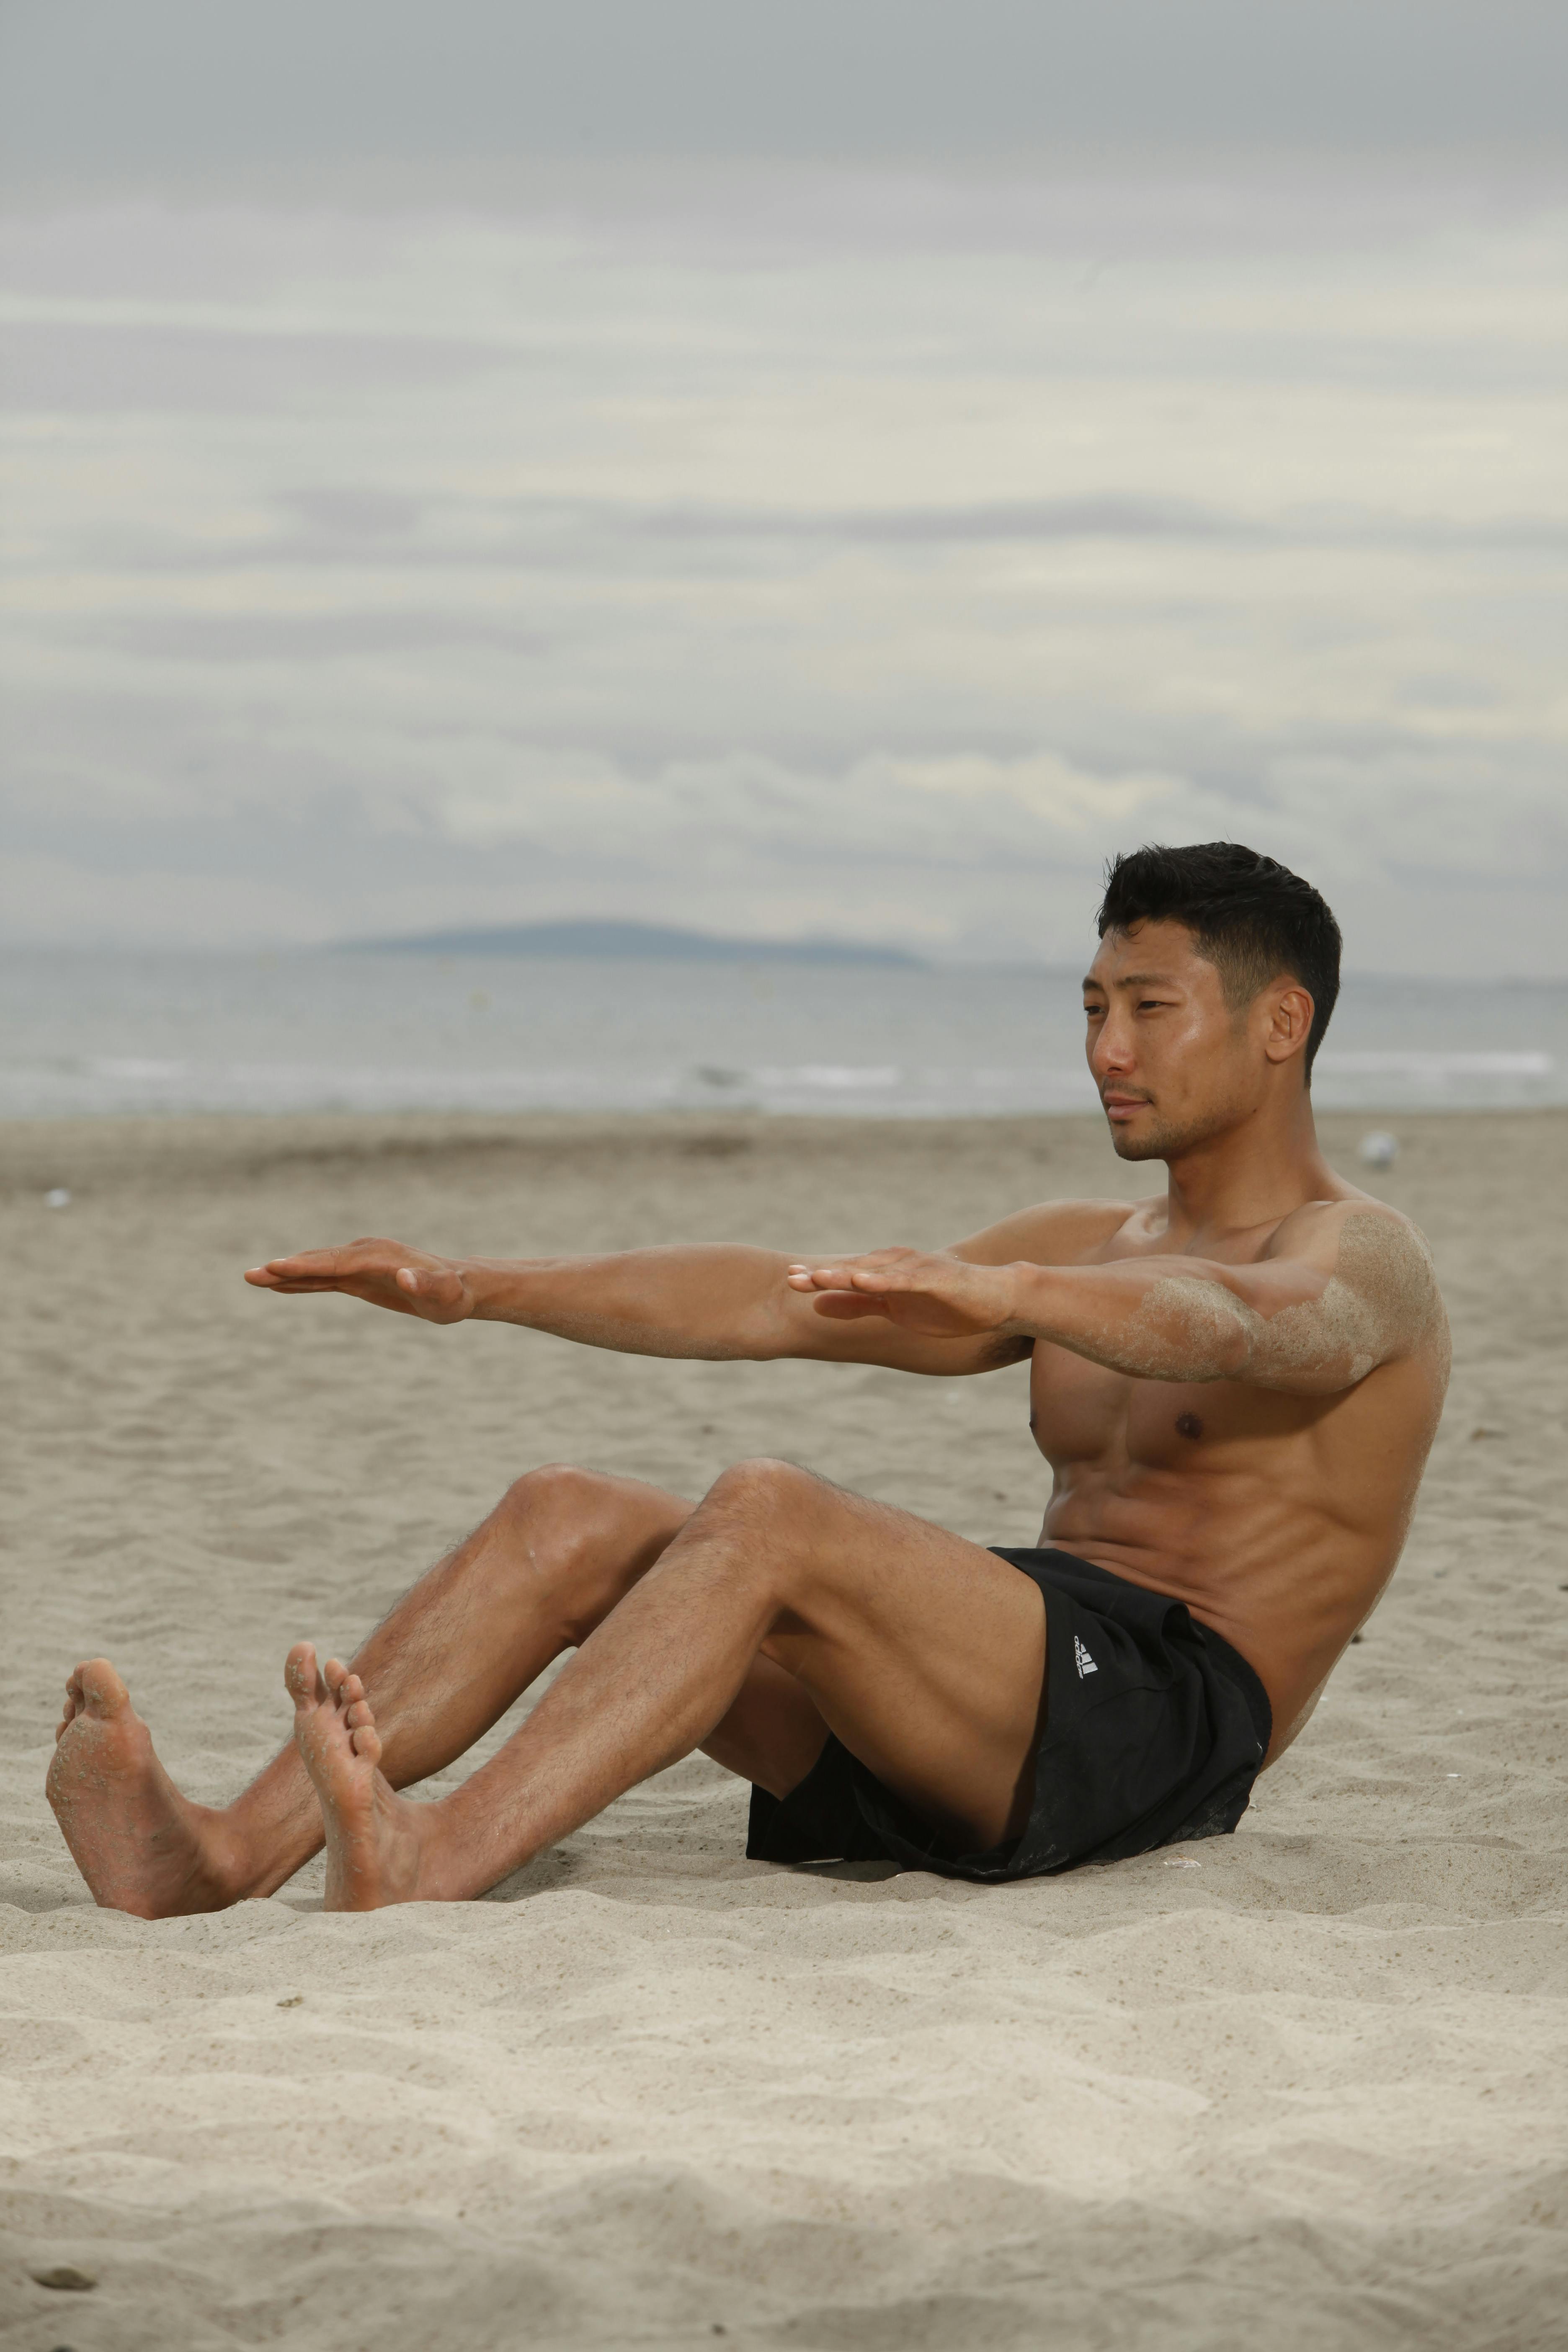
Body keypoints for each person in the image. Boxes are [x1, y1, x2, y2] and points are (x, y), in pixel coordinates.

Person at [46, 843, 1449, 1916]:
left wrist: (1012, 1294)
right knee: (567, 1511)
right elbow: (770, 1299)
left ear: (1281, 1024)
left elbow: (1269, 1330)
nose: (1106, 1051)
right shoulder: (1091, 1246)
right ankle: (220, 1856)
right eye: (1092, 1006)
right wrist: (477, 1289)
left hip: (1164, 1726)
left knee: (772, 1508)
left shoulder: (1363, 1253)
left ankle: (436, 1860)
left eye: (1151, 1007)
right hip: (995, 1717)